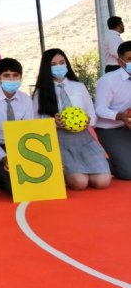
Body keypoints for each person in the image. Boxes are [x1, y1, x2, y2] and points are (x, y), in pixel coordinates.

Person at [32, 49, 111, 190]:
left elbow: (92, 114)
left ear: (67, 64)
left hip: (84, 138)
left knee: (103, 181)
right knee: (80, 183)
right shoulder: (41, 92)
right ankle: (64, 172)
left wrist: (87, 120)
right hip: (59, 139)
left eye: (62, 62)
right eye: (53, 64)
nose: (59, 66)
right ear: (46, 68)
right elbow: (34, 120)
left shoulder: (79, 87)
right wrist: (53, 122)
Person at [0, 58, 34, 194]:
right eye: (7, 76)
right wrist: (4, 157)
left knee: (34, 182)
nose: (11, 79)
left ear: (21, 77)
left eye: (15, 76)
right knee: (15, 187)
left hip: (20, 146)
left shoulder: (26, 99)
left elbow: (29, 130)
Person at [95, 40, 131, 180]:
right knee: (128, 173)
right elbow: (99, 109)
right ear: (120, 62)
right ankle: (97, 164)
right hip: (109, 129)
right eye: (130, 59)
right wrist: (120, 116)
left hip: (128, 126)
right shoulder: (108, 80)